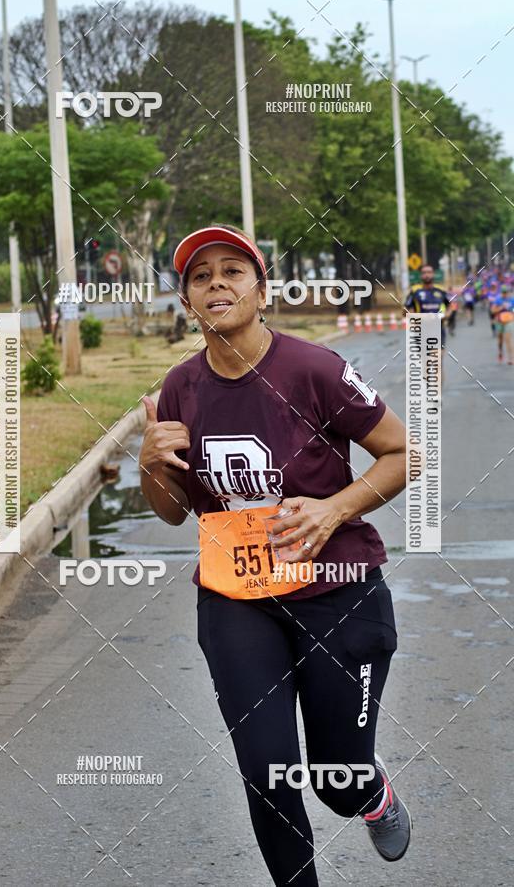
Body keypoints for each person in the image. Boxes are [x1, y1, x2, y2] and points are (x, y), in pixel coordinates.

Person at [139, 224, 412, 886]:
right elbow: (173, 509)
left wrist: (332, 508)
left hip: (338, 592)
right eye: (201, 277)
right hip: (237, 600)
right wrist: (148, 465)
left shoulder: (313, 370)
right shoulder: (180, 389)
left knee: (335, 781)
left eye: (233, 271)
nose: (217, 285)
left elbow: (401, 454)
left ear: (263, 291)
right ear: (188, 303)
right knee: (266, 772)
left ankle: (370, 796)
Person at [404, 263, 451, 372]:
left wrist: (444, 316)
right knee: (426, 364)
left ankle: (437, 386)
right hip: (421, 332)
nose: (427, 275)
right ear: (421, 276)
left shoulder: (441, 291)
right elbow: (405, 310)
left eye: (429, 272)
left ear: (433, 274)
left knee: (437, 363)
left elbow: (450, 307)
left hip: (438, 330)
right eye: (424, 273)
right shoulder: (414, 291)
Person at [490, 284, 514, 364]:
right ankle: (500, 352)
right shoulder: (498, 299)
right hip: (499, 322)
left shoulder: (512, 300)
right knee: (500, 340)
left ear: (509, 292)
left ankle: (511, 358)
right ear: (501, 292)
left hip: (509, 322)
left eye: (506, 292)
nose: (505, 294)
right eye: (503, 292)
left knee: (508, 340)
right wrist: (500, 307)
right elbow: (492, 310)